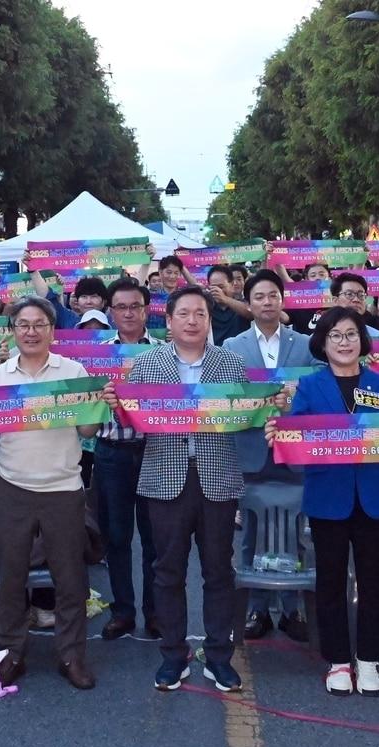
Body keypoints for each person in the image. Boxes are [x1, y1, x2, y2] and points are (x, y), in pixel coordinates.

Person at [0, 296, 99, 689]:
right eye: (23, 325)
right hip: (12, 487)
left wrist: (96, 406)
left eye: (38, 324)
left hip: (64, 488)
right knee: (10, 578)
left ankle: (71, 655)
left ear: (51, 330)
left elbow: (88, 433)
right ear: (13, 332)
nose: (30, 331)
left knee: (71, 579)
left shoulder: (74, 371)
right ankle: (11, 654)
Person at [101, 286, 249, 693]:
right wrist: (117, 405)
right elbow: (131, 424)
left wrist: (272, 407)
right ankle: (172, 655)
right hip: (163, 478)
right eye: (182, 313)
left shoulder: (231, 365)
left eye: (199, 313)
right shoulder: (147, 365)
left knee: (219, 572)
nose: (191, 320)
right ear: (167, 321)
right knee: (167, 572)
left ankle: (219, 657)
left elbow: (246, 417)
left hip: (218, 479)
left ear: (207, 320)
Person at [269, 307, 379, 697]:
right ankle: (338, 661)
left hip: (374, 495)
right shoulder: (310, 388)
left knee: (374, 582)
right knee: (328, 581)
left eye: (351, 334)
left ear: (362, 341)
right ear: (323, 344)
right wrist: (279, 434)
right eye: (336, 336)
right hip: (328, 495)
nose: (344, 342)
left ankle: (369, 660)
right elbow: (295, 438)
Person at [223, 270, 315, 642]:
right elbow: (226, 392)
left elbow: (318, 380)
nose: (266, 302)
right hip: (251, 449)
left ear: (282, 300)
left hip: (293, 448)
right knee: (253, 532)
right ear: (249, 302)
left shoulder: (306, 344)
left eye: (272, 295)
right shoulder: (233, 346)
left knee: (294, 529)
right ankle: (256, 607)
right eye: (259, 297)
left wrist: (292, 394)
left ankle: (292, 607)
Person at [95, 278, 162, 642]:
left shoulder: (165, 353)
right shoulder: (98, 356)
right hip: (111, 454)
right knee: (117, 538)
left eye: (134, 306)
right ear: (110, 312)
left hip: (155, 452)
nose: (128, 313)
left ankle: (155, 613)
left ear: (146, 310)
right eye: (120, 307)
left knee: (155, 538)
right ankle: (122, 611)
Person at [329, 272, 379, 338]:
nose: (356, 299)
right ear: (335, 301)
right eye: (349, 294)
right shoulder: (322, 336)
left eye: (361, 295)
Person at [206, 266, 253, 345]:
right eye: (214, 287)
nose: (218, 291)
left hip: (241, 352)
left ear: (231, 285)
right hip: (216, 353)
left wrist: (225, 299)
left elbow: (251, 313)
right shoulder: (207, 307)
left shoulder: (241, 304)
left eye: (221, 287)